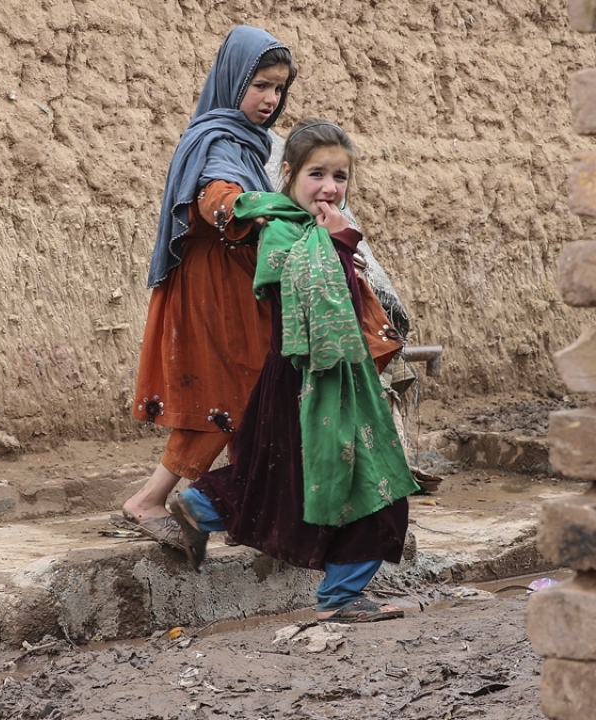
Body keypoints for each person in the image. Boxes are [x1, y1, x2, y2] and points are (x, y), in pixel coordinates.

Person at [167, 119, 421, 623]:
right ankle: (340, 597)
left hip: (324, 380)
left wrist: (338, 240)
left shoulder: (314, 230)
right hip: (309, 381)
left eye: (340, 177)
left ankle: (200, 507)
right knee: (377, 488)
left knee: (282, 480)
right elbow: (315, 302)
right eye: (316, 174)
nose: (329, 187)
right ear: (288, 173)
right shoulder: (284, 229)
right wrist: (341, 243)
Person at [117, 26, 296, 547]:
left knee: (252, 396)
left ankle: (245, 514)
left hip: (235, 286)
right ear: (233, 80)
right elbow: (216, 193)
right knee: (235, 394)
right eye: (260, 85)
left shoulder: (246, 141)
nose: (270, 99)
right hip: (212, 289)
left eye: (279, 88)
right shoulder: (217, 139)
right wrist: (247, 208)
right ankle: (150, 501)